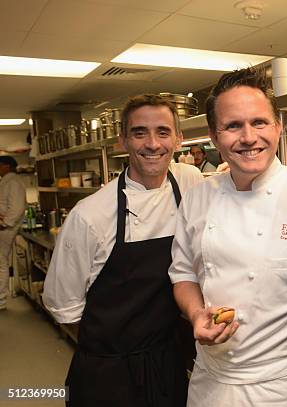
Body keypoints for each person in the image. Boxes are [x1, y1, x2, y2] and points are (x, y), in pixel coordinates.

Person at [169, 67, 287, 406]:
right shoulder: (197, 198)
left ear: (277, 126)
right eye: (233, 126)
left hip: (285, 387)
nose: (248, 137)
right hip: (209, 381)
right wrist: (195, 314)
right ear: (215, 136)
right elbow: (183, 273)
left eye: (259, 123)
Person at [43, 94, 203, 407]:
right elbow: (64, 305)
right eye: (139, 132)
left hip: (167, 362)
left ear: (179, 139)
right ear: (122, 141)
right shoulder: (89, 215)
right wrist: (111, 351)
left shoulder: (189, 182)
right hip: (108, 371)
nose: (153, 144)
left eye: (163, 132)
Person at [0, 156, 26, 311]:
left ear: (7, 166)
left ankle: (1, 299)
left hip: (5, 229)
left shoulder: (13, 182)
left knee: (0, 263)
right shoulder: (6, 181)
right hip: (3, 226)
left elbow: (17, 208)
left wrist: (4, 223)